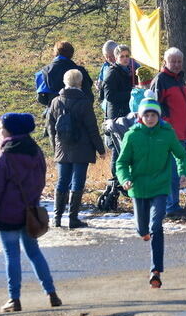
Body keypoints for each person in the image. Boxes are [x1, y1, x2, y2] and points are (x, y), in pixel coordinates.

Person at [0, 113, 62, 313]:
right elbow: (41, 181)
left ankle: (14, 298)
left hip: (7, 215)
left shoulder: (3, 157)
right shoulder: (36, 152)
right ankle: (51, 293)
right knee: (34, 252)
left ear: (10, 131)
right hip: (29, 213)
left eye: (1, 127)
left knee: (12, 255)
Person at [115, 98, 186, 288]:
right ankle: (144, 232)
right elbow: (121, 162)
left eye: (153, 115)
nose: (150, 119)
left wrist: (183, 173)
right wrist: (125, 179)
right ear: (141, 117)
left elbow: (181, 155)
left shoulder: (166, 134)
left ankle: (155, 271)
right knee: (143, 228)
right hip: (138, 187)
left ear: (159, 116)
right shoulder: (132, 135)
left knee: (156, 225)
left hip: (160, 185)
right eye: (146, 115)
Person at [46, 69, 106, 228]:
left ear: (65, 82)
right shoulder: (85, 103)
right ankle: (73, 218)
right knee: (77, 183)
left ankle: (57, 218)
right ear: (80, 83)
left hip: (62, 148)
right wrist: (101, 149)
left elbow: (50, 127)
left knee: (61, 182)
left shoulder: (55, 102)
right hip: (82, 149)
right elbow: (92, 128)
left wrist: (55, 146)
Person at [151, 47, 186, 217]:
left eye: (179, 61)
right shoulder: (161, 80)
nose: (177, 64)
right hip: (169, 135)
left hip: (182, 134)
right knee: (170, 171)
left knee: (178, 171)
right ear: (165, 62)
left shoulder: (180, 80)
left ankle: (173, 204)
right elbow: (154, 108)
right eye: (173, 61)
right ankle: (171, 206)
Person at [35, 41, 93, 111]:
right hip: (78, 112)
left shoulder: (44, 72)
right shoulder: (80, 72)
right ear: (71, 54)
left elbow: (41, 98)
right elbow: (89, 95)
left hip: (54, 112)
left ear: (55, 53)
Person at [101, 45, 137, 121]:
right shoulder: (112, 72)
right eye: (122, 56)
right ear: (116, 58)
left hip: (126, 112)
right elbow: (109, 95)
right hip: (116, 115)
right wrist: (131, 93)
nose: (125, 59)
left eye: (127, 56)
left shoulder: (129, 70)